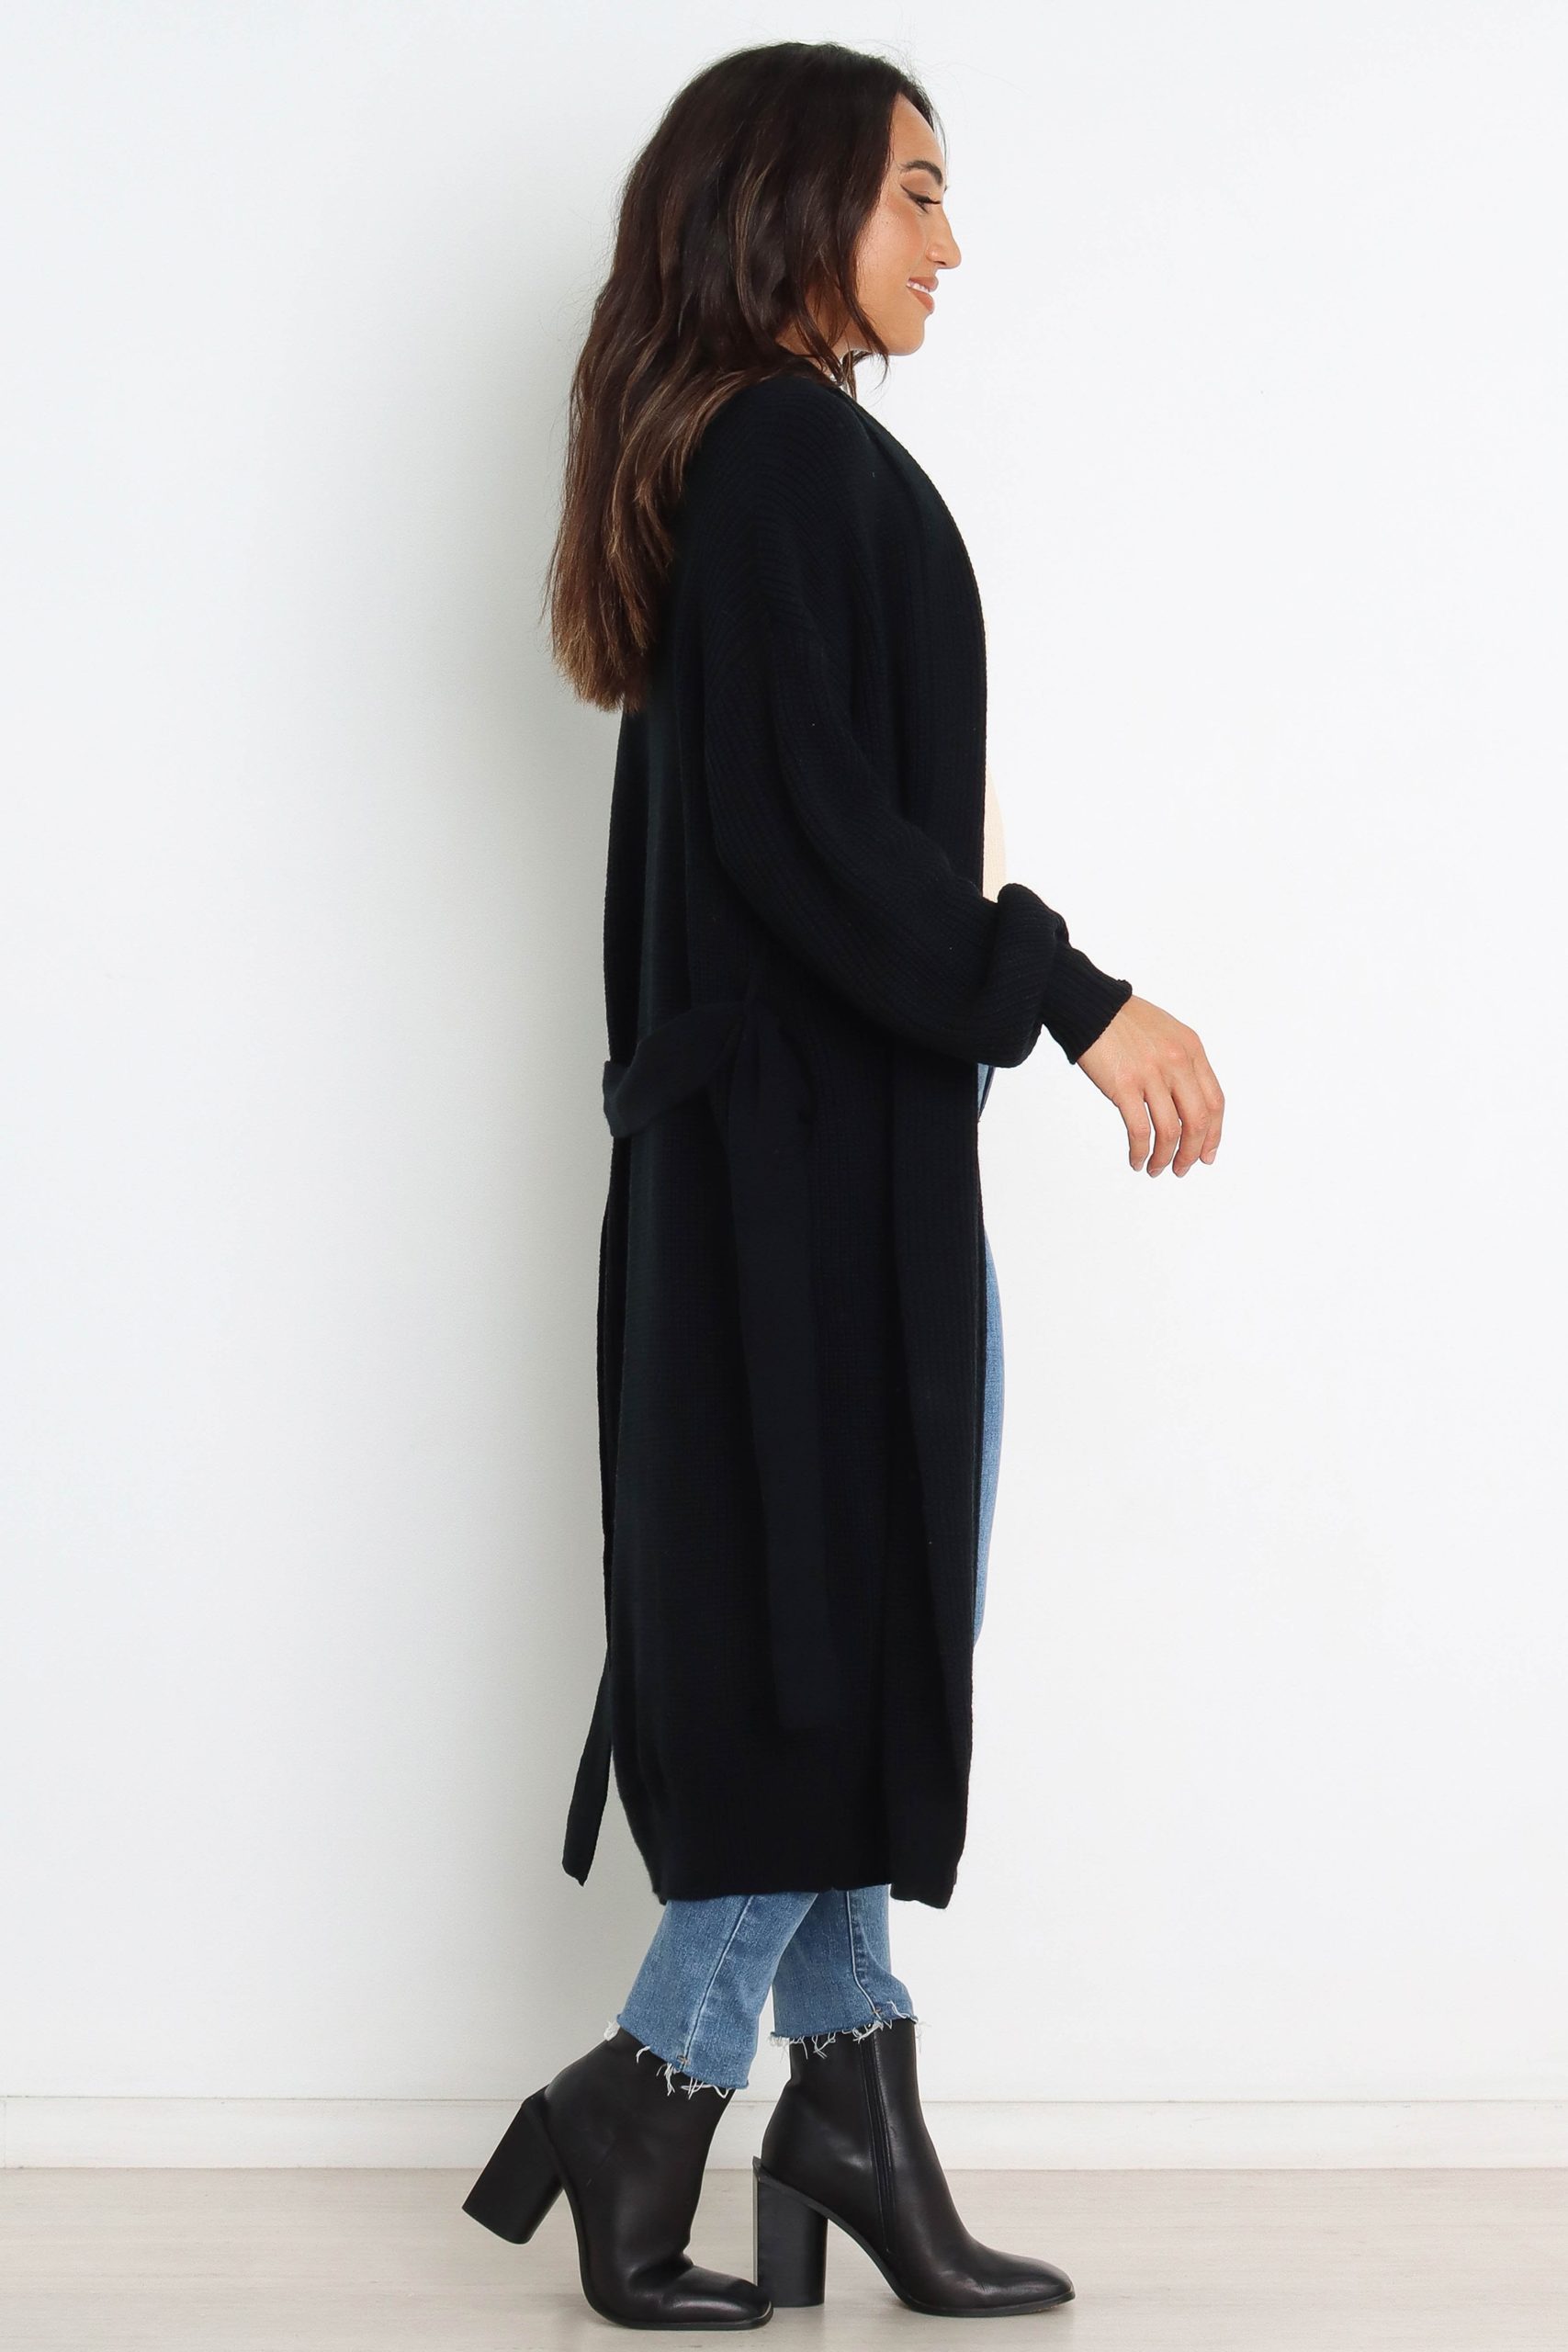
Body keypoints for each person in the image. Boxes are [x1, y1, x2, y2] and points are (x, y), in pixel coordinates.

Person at [463, 40, 1224, 2330]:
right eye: (913, 193)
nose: (948, 243)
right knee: (828, 1654)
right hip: (801, 1183)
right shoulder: (784, 454)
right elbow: (814, 842)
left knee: (849, 1644)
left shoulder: (754, 453)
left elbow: (803, 834)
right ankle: (655, 2089)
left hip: (803, 1167)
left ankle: (848, 2108)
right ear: (791, 206)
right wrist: (1074, 995)